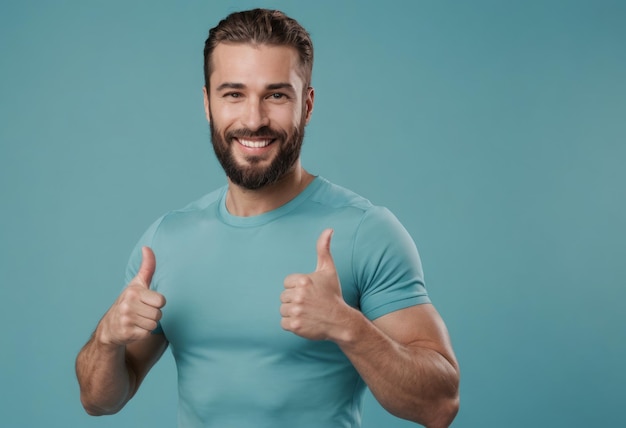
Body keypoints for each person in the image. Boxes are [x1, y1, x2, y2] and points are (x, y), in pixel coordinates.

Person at [75, 8, 460, 428]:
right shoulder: (166, 239)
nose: (254, 119)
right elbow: (99, 400)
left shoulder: (365, 231)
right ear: (207, 103)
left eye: (276, 95)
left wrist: (347, 327)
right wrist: (107, 338)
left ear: (306, 104)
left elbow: (439, 405)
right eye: (233, 94)